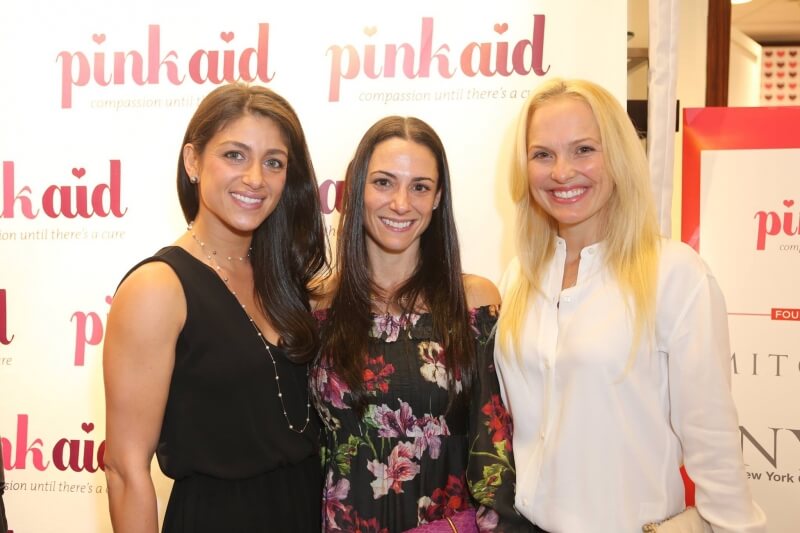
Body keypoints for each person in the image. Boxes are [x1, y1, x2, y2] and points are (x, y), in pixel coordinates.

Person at [494, 78, 767, 532]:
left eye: (584, 149)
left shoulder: (674, 274)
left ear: (618, 157)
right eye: (542, 154)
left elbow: (713, 443)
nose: (562, 172)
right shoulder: (520, 276)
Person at [103, 83, 327, 533]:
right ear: (192, 161)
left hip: (304, 511)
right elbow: (125, 470)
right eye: (235, 155)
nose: (255, 178)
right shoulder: (158, 287)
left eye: (274, 162)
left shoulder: (287, 280)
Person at [311, 116, 541, 533]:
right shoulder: (316, 308)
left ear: (437, 198)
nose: (401, 203)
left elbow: (495, 452)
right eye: (384, 182)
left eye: (419, 187)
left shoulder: (473, 302)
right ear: (357, 189)